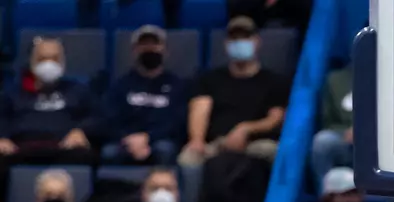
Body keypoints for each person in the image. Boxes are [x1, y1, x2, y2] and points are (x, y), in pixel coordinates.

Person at [179, 16, 288, 170]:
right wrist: (197, 140)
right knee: (188, 158)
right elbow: (200, 108)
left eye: (245, 38)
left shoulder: (274, 81)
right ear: (226, 44)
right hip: (218, 144)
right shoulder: (209, 79)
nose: (239, 42)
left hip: (255, 144)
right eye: (234, 39)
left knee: (275, 152)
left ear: (257, 42)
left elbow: (274, 119)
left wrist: (246, 129)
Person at [0, 37, 99, 195]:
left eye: (54, 58)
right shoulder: (13, 93)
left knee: (87, 155)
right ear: (31, 61)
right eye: (42, 58)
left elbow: (98, 116)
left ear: (63, 62)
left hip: (64, 149)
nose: (49, 64)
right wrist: (2, 137)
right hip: (21, 149)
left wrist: (81, 131)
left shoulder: (78, 91)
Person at [102, 27, 188, 167]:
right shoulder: (120, 85)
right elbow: (110, 119)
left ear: (165, 50)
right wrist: (129, 139)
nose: (149, 49)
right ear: (134, 51)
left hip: (160, 139)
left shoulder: (177, 85)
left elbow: (177, 122)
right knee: (109, 152)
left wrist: (148, 137)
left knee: (165, 149)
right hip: (126, 140)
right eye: (144, 45)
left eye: (154, 44)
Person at [309, 65, 355, 193]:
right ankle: (325, 195)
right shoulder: (335, 79)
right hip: (346, 140)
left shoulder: (393, 77)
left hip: (381, 140)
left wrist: (366, 130)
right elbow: (328, 122)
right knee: (323, 141)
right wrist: (346, 131)